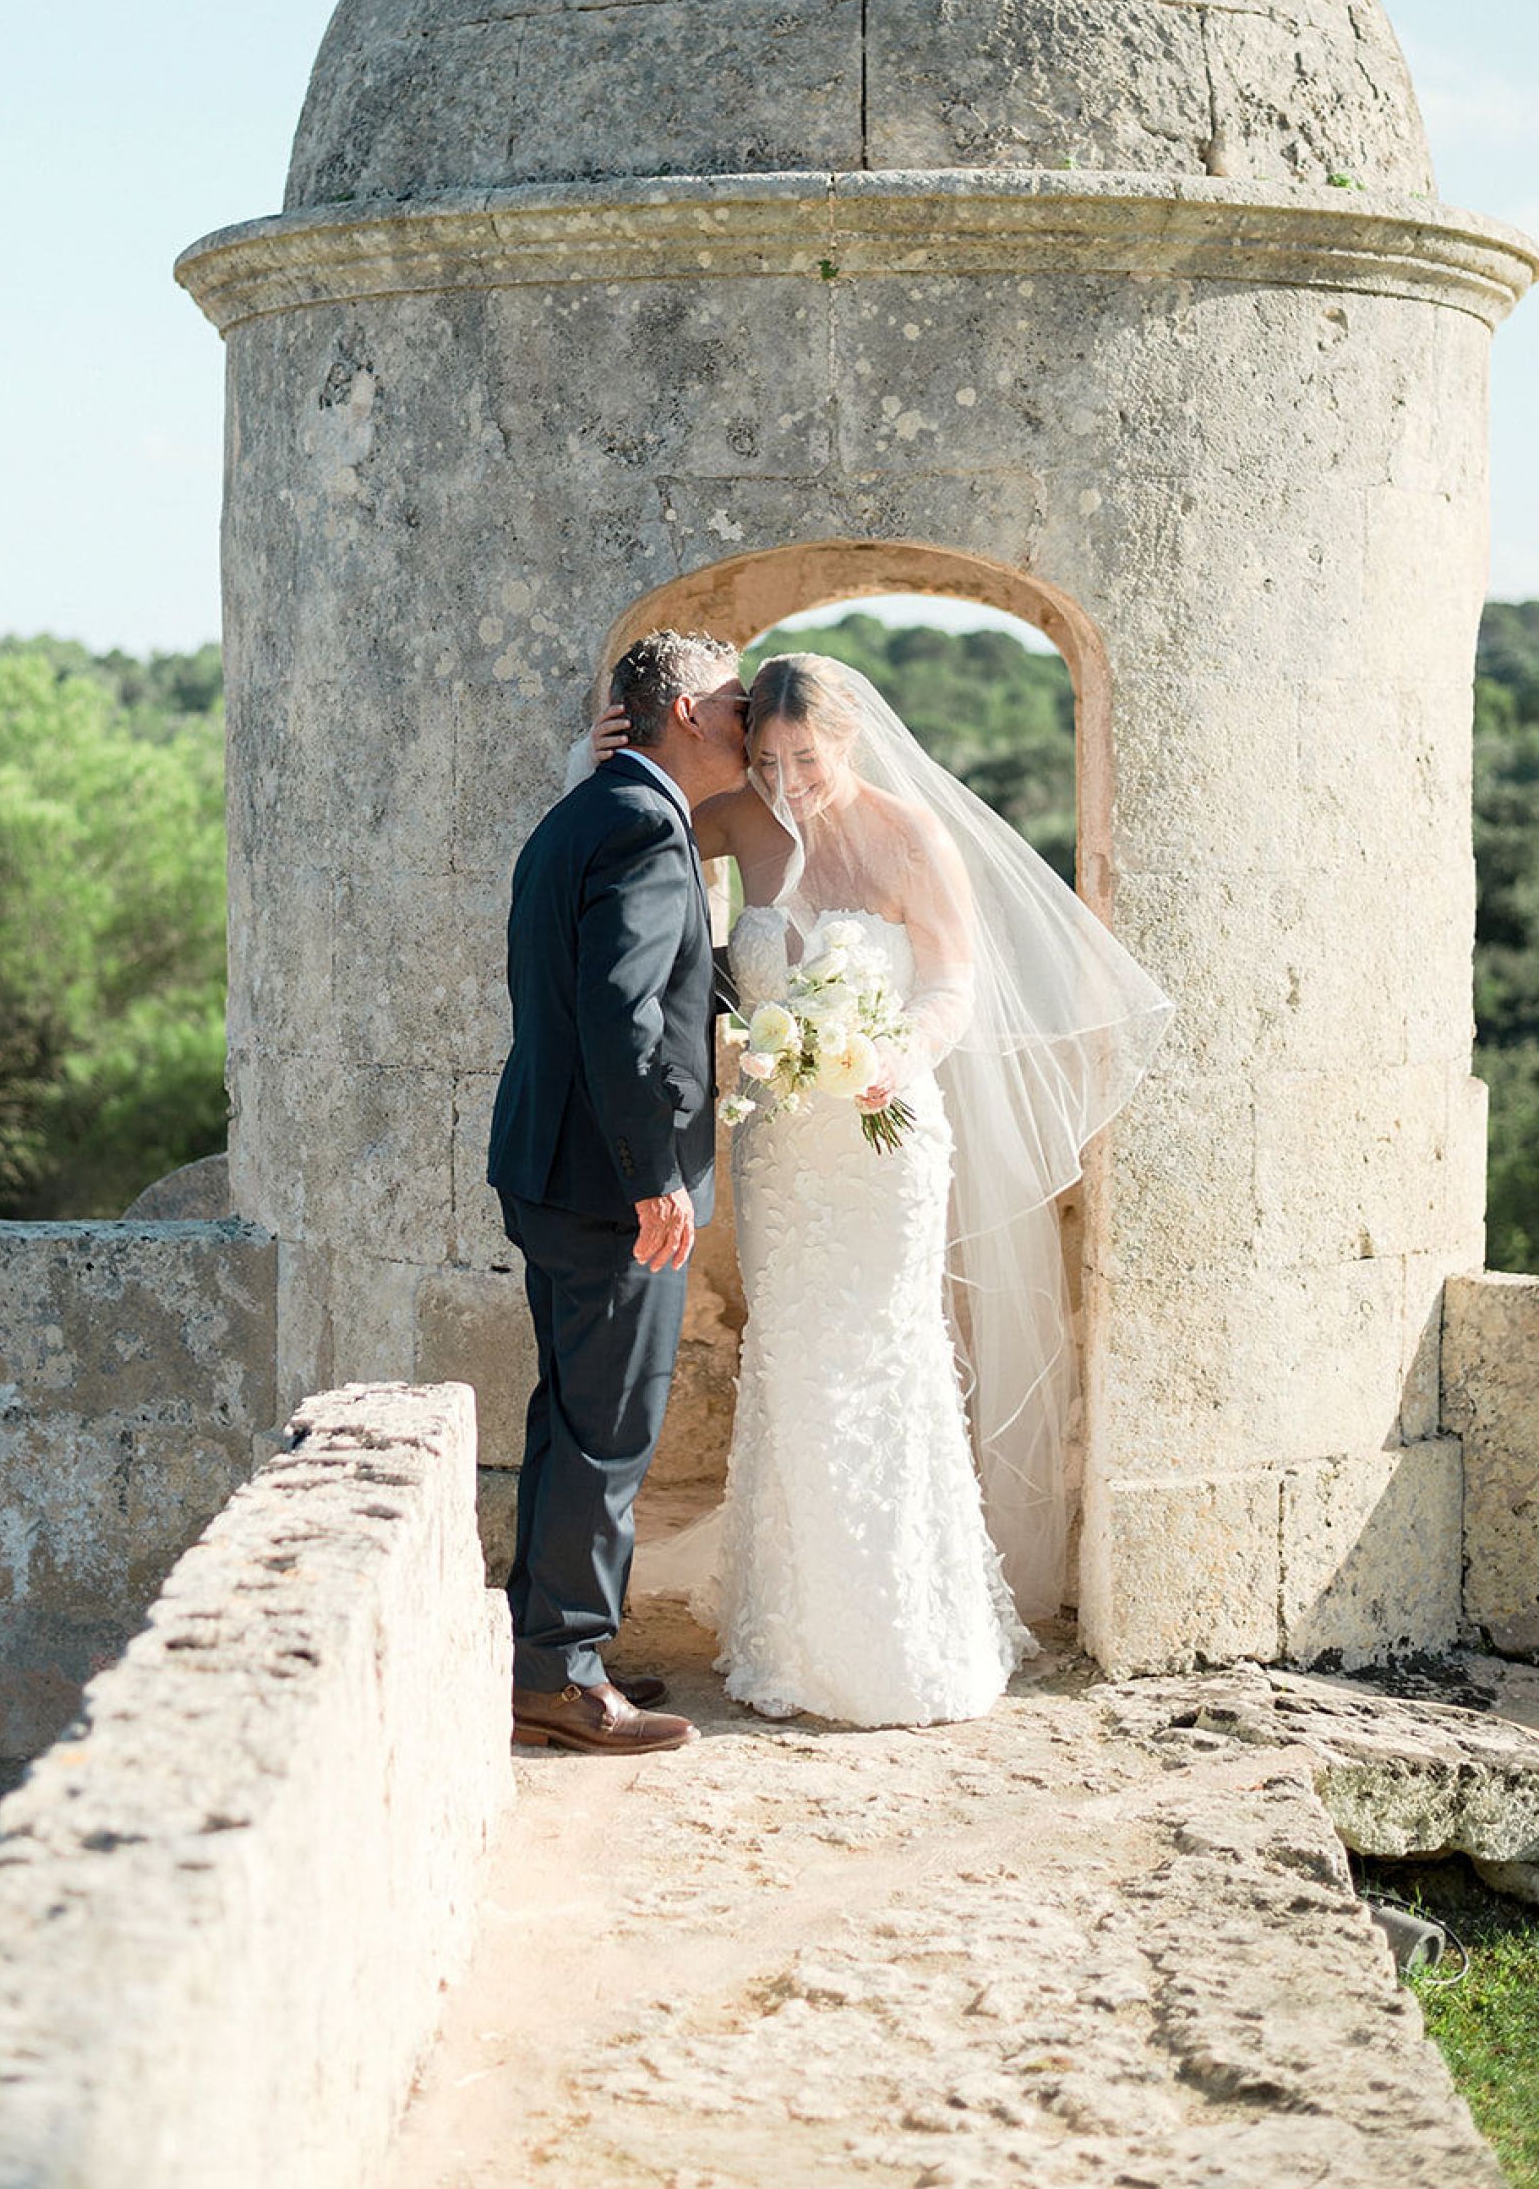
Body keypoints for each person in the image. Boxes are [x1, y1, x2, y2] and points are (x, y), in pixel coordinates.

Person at [585, 650, 1172, 1727]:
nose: (788, 780)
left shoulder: (910, 834)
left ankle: (906, 1635)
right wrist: (598, 757)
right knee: (796, 1359)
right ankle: (796, 1633)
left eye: (806, 758)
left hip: (885, 1135)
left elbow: (954, 982)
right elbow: (636, 830)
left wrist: (897, 1055)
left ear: (848, 741)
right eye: (765, 757)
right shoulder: (738, 821)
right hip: (783, 1154)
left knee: (884, 1358)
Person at [487, 629, 751, 1755]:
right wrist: (657, 1178)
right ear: (684, 712)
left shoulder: (587, 813)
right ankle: (564, 1679)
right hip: (607, 1184)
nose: (750, 717)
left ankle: (549, 1651)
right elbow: (624, 1018)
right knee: (610, 1430)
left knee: (571, 1419)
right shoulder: (645, 826)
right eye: (736, 701)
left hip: (549, 1169)